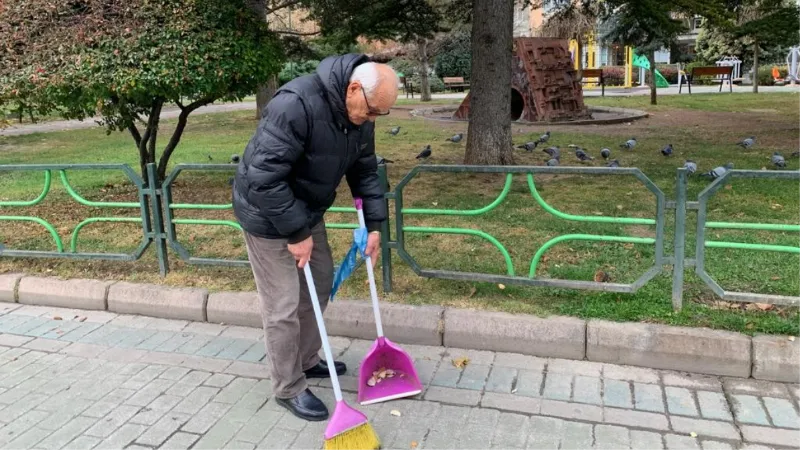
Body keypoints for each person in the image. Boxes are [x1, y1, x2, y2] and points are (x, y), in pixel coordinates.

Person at [232, 54, 398, 421]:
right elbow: (264, 178)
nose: (372, 121)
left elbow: (365, 170)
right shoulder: (295, 104)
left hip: (306, 211)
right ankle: (288, 385)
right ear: (353, 89)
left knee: (320, 284)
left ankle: (306, 359)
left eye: (379, 115)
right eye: (372, 112)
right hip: (266, 213)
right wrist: (295, 233)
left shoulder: (359, 115)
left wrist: (374, 226)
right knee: (283, 304)